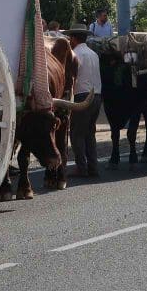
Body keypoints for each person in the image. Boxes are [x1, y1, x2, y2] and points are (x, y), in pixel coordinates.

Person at [65, 24, 102, 178]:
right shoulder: (94, 54)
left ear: (74, 38)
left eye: (70, 38)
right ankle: (93, 167)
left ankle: (81, 167)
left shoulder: (75, 54)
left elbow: (71, 77)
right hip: (97, 96)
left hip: (82, 96)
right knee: (90, 133)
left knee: (76, 134)